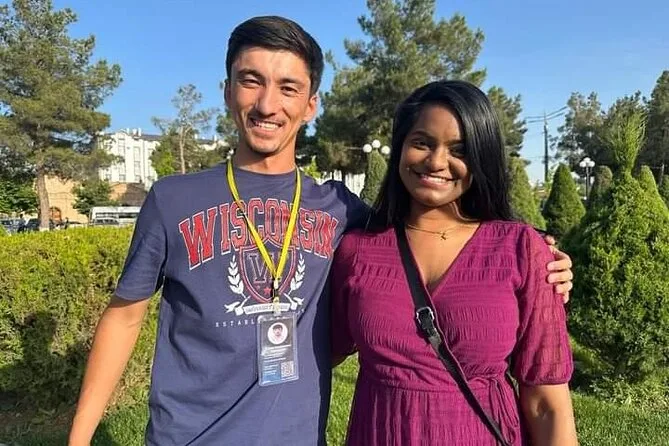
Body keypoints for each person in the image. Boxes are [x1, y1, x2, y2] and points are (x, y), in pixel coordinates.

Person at [69, 17, 574, 446]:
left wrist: (540, 259)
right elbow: (125, 318)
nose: (268, 105)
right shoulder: (173, 199)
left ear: (311, 104)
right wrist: (80, 436)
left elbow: (437, 243)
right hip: (189, 436)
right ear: (226, 90)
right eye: (251, 80)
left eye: (288, 88)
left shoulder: (342, 213)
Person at [330, 80, 578, 445]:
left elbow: (547, 404)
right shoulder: (358, 249)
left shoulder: (522, 250)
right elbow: (320, 351)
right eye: (422, 143)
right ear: (401, 147)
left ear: (482, 159)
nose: (435, 162)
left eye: (459, 150)